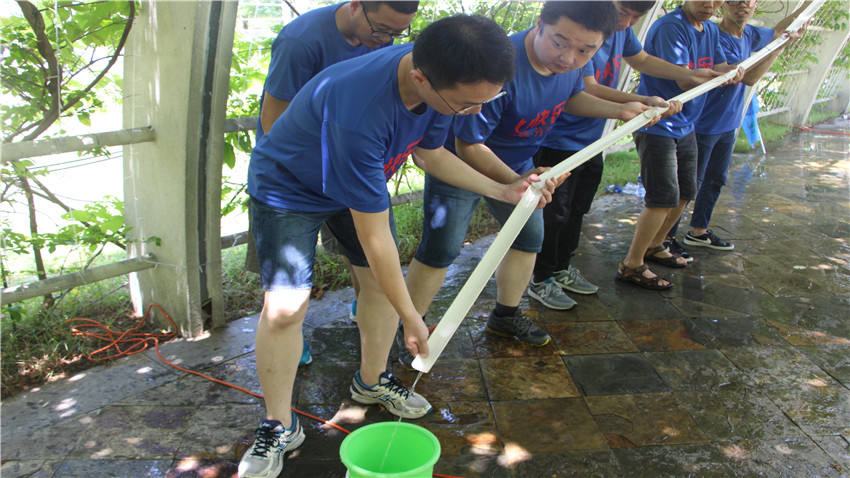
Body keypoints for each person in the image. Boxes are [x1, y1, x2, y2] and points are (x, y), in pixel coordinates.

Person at [238, 15, 561, 478]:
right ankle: (278, 425)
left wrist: (505, 188)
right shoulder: (360, 112)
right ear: (420, 79)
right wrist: (413, 317)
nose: (475, 112)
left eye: (486, 101)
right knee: (287, 307)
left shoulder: (436, 80)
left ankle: (371, 383)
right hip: (288, 188)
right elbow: (375, 238)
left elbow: (429, 153)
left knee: (376, 287)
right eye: (469, 104)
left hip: (351, 177)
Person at [404, 1, 657, 355]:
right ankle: (408, 327)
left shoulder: (569, 65)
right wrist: (513, 184)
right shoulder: (500, 68)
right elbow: (468, 144)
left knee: (528, 238)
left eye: (586, 50)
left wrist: (622, 110)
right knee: (441, 248)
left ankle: (505, 316)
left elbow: (573, 98)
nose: (568, 58)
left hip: (519, 166)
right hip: (461, 168)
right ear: (540, 23)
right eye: (559, 42)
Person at [244, 1, 420, 365]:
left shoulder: (383, 40)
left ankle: (370, 333)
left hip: (349, 169)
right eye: (381, 30)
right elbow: (273, 119)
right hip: (293, 177)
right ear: (356, 5)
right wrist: (329, 157)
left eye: (396, 34)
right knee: (288, 298)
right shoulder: (301, 41)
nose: (385, 40)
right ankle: (291, 335)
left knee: (370, 271)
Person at [532, 0, 723, 301]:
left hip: (592, 140)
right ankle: (540, 277)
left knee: (577, 209)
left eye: (636, 17)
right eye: (623, 13)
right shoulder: (583, 34)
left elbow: (643, 59)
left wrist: (686, 74)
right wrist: (636, 102)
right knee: (554, 214)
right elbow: (587, 90)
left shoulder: (621, 31)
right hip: (557, 141)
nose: (626, 22)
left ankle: (560, 268)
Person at [615, 0, 745, 291]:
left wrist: (736, 70)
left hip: (687, 123)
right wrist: (715, 76)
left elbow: (720, 65)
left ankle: (655, 245)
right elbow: (686, 79)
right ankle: (631, 264)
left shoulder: (709, 30)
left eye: (717, 0)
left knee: (686, 190)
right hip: (658, 123)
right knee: (662, 196)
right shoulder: (670, 27)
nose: (710, 5)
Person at [664, 0, 809, 254]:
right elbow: (749, 76)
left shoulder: (749, 33)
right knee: (689, 184)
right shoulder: (715, 36)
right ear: (723, 6)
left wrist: (806, 7)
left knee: (716, 179)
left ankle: (699, 231)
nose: (741, 5)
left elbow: (779, 31)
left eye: (748, 0)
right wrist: (781, 45)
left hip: (728, 125)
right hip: (703, 125)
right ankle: (664, 237)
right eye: (733, 0)